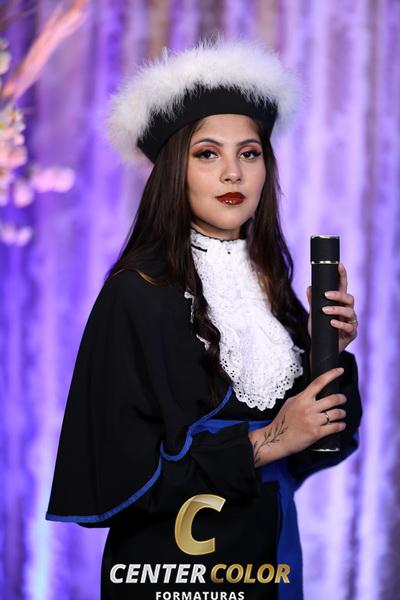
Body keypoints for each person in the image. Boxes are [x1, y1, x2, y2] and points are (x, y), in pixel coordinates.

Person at [46, 35, 362, 600]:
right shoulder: (135, 293)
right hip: (174, 565)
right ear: (176, 170)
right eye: (207, 154)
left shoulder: (271, 285)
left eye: (250, 153)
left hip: (267, 557)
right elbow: (120, 477)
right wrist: (265, 441)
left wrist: (328, 353)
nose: (233, 174)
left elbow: (317, 445)